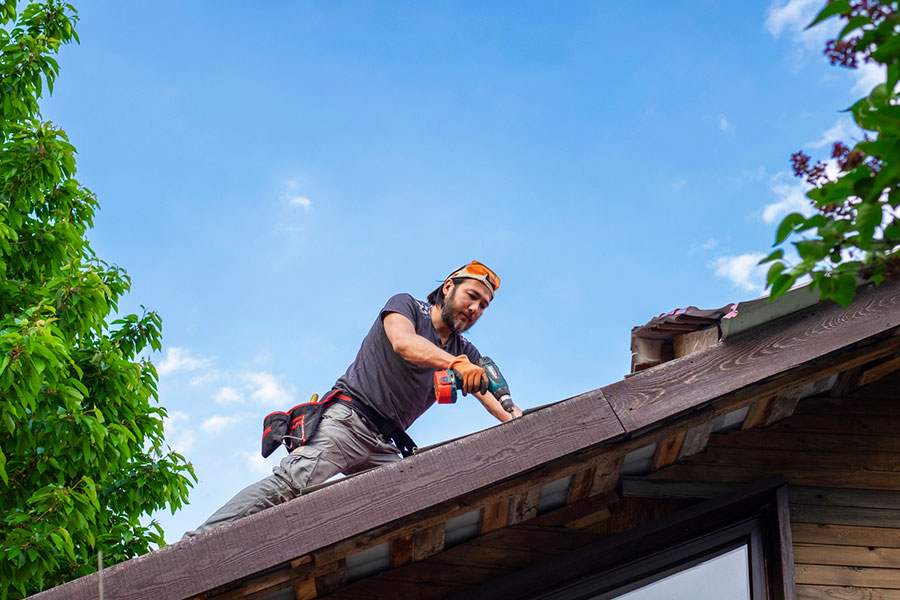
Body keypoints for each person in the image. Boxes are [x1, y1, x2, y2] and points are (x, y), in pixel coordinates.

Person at [185, 260, 521, 536]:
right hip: (348, 422)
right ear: (449, 287)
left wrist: (518, 420)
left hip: (385, 444)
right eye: (472, 296)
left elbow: (497, 399)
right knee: (290, 485)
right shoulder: (407, 307)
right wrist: (455, 364)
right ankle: (197, 542)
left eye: (483, 306)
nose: (475, 308)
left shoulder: (465, 351)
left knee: (414, 507)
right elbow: (404, 343)